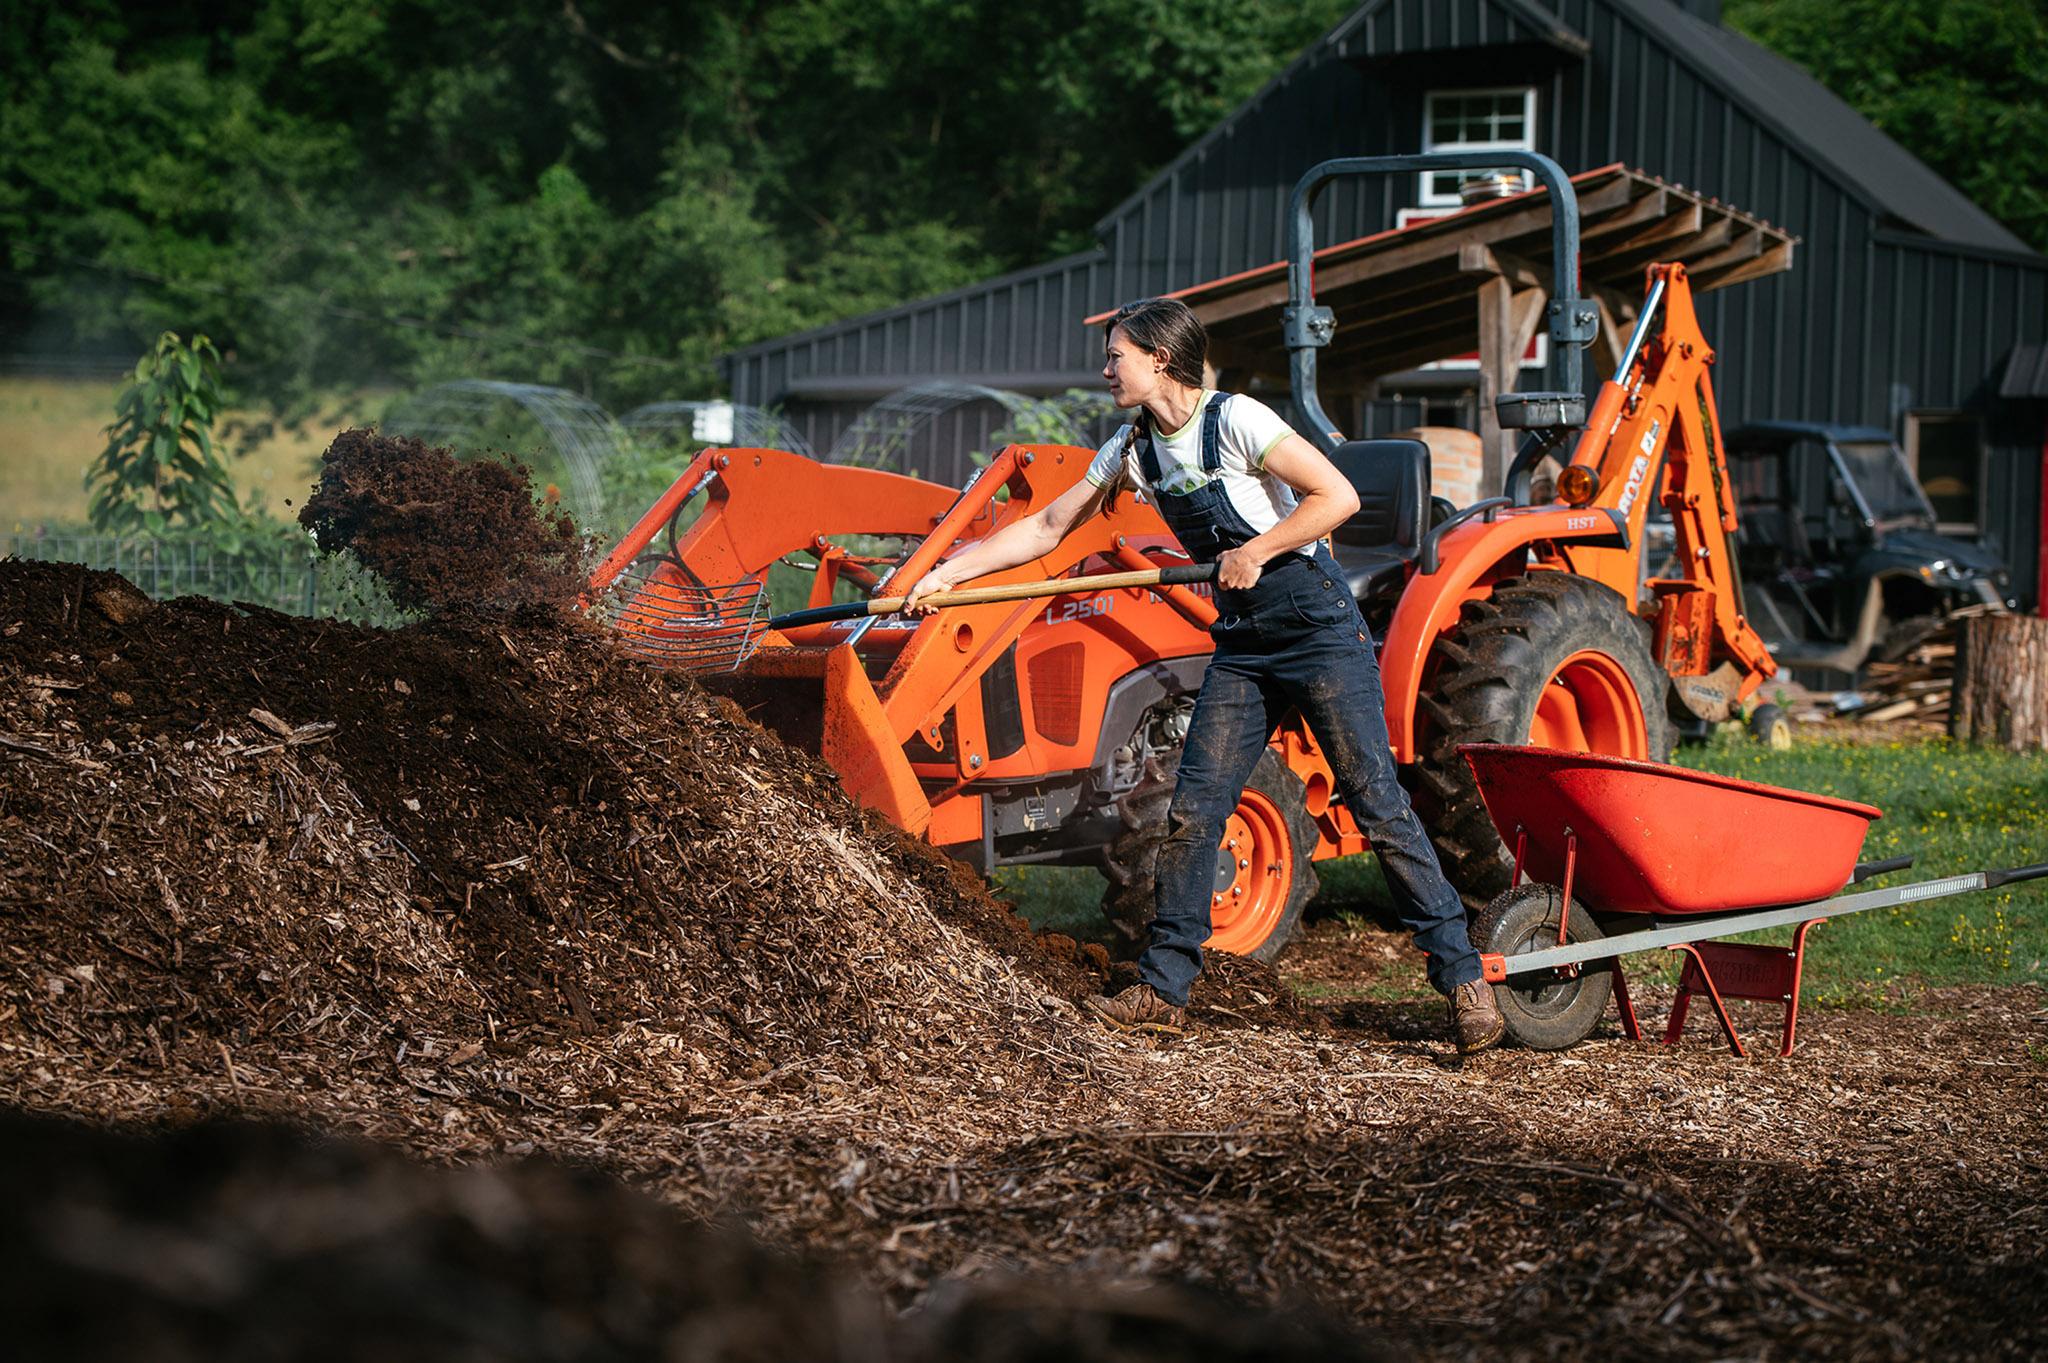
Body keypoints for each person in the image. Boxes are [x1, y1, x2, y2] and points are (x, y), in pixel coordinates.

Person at [905, 298, 1504, 1054]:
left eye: (1115, 354)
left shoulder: (1236, 420)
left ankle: (1463, 981)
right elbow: (1049, 527)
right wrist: (950, 575)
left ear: (1159, 358)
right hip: (1245, 644)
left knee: (1377, 802)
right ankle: (1162, 987)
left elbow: (1337, 498)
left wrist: (1259, 550)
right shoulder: (1133, 447)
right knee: (1193, 810)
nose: (1105, 368)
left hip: (1317, 627)